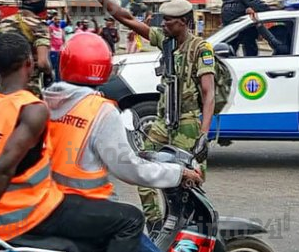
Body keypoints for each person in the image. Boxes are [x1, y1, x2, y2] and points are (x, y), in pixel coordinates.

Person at [0, 24, 146, 252]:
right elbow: (2, 169)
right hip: (26, 213)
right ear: (29, 63)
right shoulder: (31, 108)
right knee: (131, 219)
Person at [43, 32, 203, 252]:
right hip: (87, 207)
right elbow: (130, 169)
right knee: (135, 226)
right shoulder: (99, 110)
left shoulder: (45, 101)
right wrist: (178, 173)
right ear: (103, 68)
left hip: (49, 202)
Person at [84, 0, 215, 229]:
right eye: (163, 20)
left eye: (169, 20)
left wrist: (203, 133)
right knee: (141, 166)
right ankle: (156, 222)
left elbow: (208, 92)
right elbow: (126, 17)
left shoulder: (201, 49)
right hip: (162, 121)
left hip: (188, 123)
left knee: (188, 178)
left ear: (184, 22)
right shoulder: (164, 40)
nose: (163, 23)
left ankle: (192, 226)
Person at [0, 0, 53, 97]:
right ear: (32, 0)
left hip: (1, 89)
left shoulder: (3, 24)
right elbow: (43, 63)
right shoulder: (39, 27)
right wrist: (49, 74)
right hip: (27, 91)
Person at [48, 14, 64, 82]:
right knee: (52, 66)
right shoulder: (51, 27)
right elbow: (48, 37)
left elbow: (63, 39)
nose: (58, 21)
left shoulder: (61, 28)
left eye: (59, 20)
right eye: (56, 19)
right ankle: (50, 80)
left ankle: (58, 81)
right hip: (53, 50)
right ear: (53, 20)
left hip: (60, 50)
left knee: (59, 67)